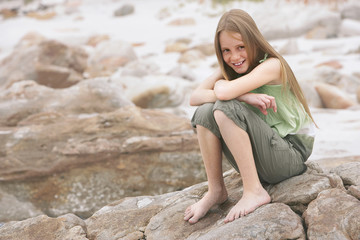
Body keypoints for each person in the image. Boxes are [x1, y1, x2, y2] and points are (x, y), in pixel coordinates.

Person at [183, 9, 316, 224]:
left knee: (225, 106)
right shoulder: (232, 68)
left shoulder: (272, 65)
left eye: (241, 47)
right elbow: (195, 97)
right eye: (226, 50)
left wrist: (229, 90)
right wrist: (245, 96)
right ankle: (216, 190)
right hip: (266, 154)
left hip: (291, 153)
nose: (234, 57)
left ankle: (254, 190)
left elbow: (224, 94)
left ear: (254, 41)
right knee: (205, 112)